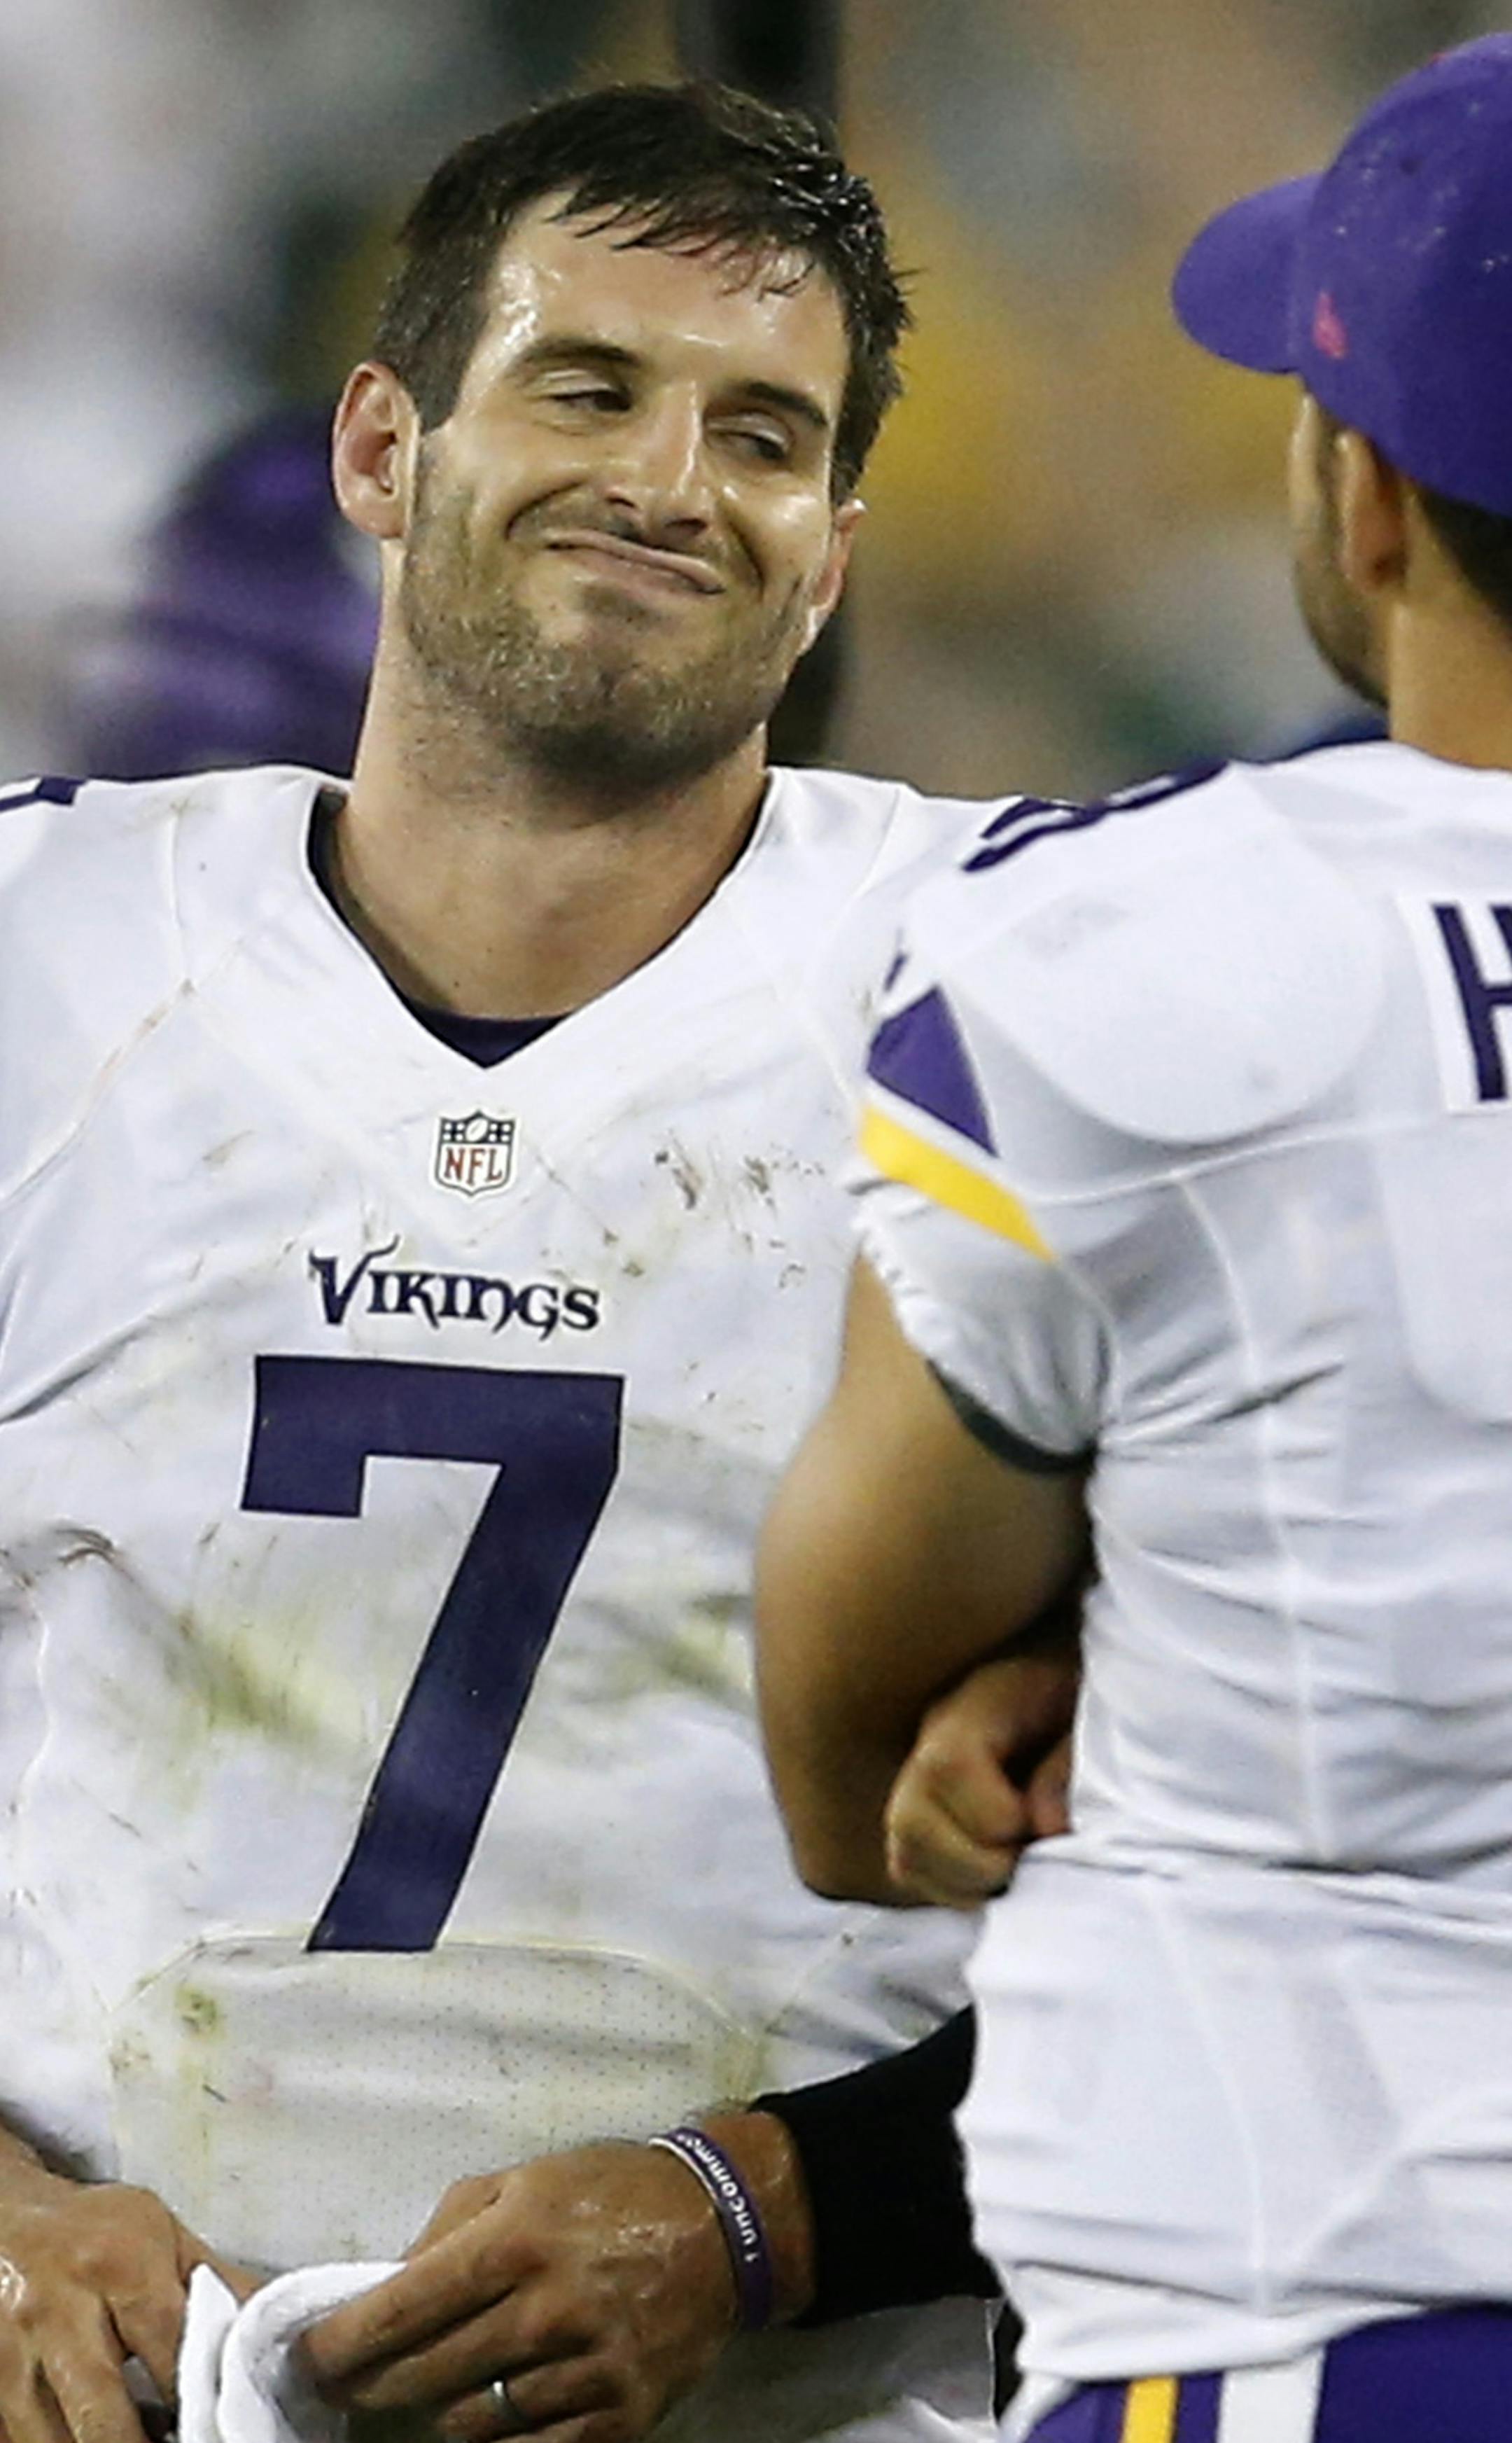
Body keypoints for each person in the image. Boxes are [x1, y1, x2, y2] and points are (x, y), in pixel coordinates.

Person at [0, 79, 1053, 2443]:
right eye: (586, 386)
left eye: (763, 435)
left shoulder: (1048, 998)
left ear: (833, 556)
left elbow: (1331, 1875)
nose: (673, 483)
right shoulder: (39, 958)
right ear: (381, 447)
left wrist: (765, 2206)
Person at [756, 34, 1512, 2443]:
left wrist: (1089, 1656)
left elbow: (850, 1745)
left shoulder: (1136, 953)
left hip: (1335, 2298)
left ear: (1365, 494)